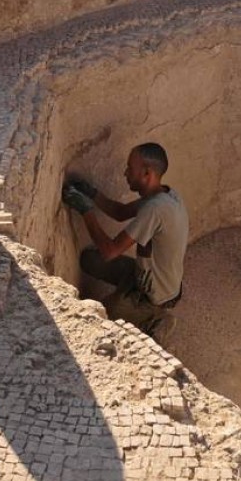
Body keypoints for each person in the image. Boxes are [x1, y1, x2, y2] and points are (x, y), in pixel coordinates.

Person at [61, 143, 188, 337]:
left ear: (147, 173)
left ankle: (154, 321)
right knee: (89, 259)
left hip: (155, 294)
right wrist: (93, 194)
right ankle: (129, 295)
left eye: (130, 168)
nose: (125, 173)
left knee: (97, 319)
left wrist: (86, 210)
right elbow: (120, 213)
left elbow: (110, 251)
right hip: (147, 275)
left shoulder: (155, 210)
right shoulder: (165, 195)